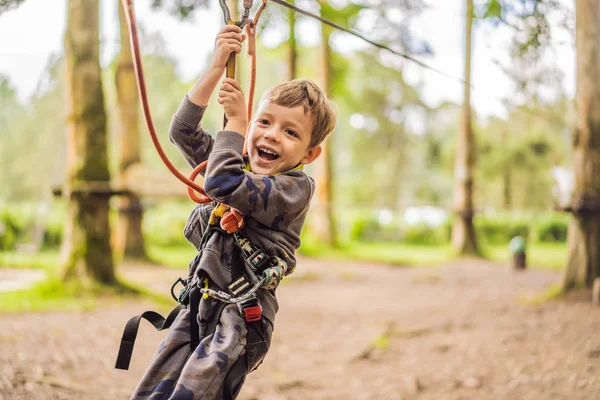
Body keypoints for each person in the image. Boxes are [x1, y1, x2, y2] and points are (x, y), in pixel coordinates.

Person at [130, 23, 336, 399]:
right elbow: (182, 131)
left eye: (291, 133)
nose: (272, 135)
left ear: (309, 154)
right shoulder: (235, 160)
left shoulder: (293, 189)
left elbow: (221, 184)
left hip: (240, 318)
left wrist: (239, 124)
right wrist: (215, 67)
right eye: (265, 122)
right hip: (200, 304)